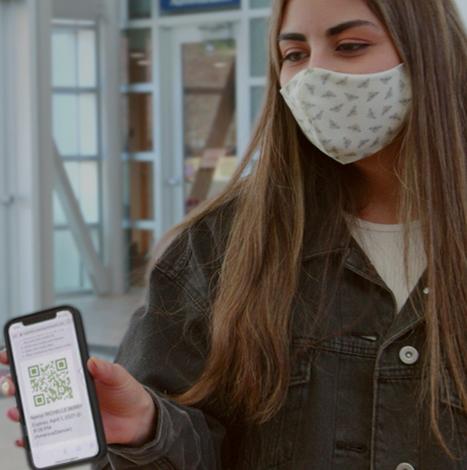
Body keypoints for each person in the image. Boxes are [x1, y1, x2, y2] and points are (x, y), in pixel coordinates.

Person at [2, 0, 466, 468]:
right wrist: (147, 429)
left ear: (430, 52)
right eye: (293, 54)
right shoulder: (219, 246)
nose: (315, 76)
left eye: (350, 46)